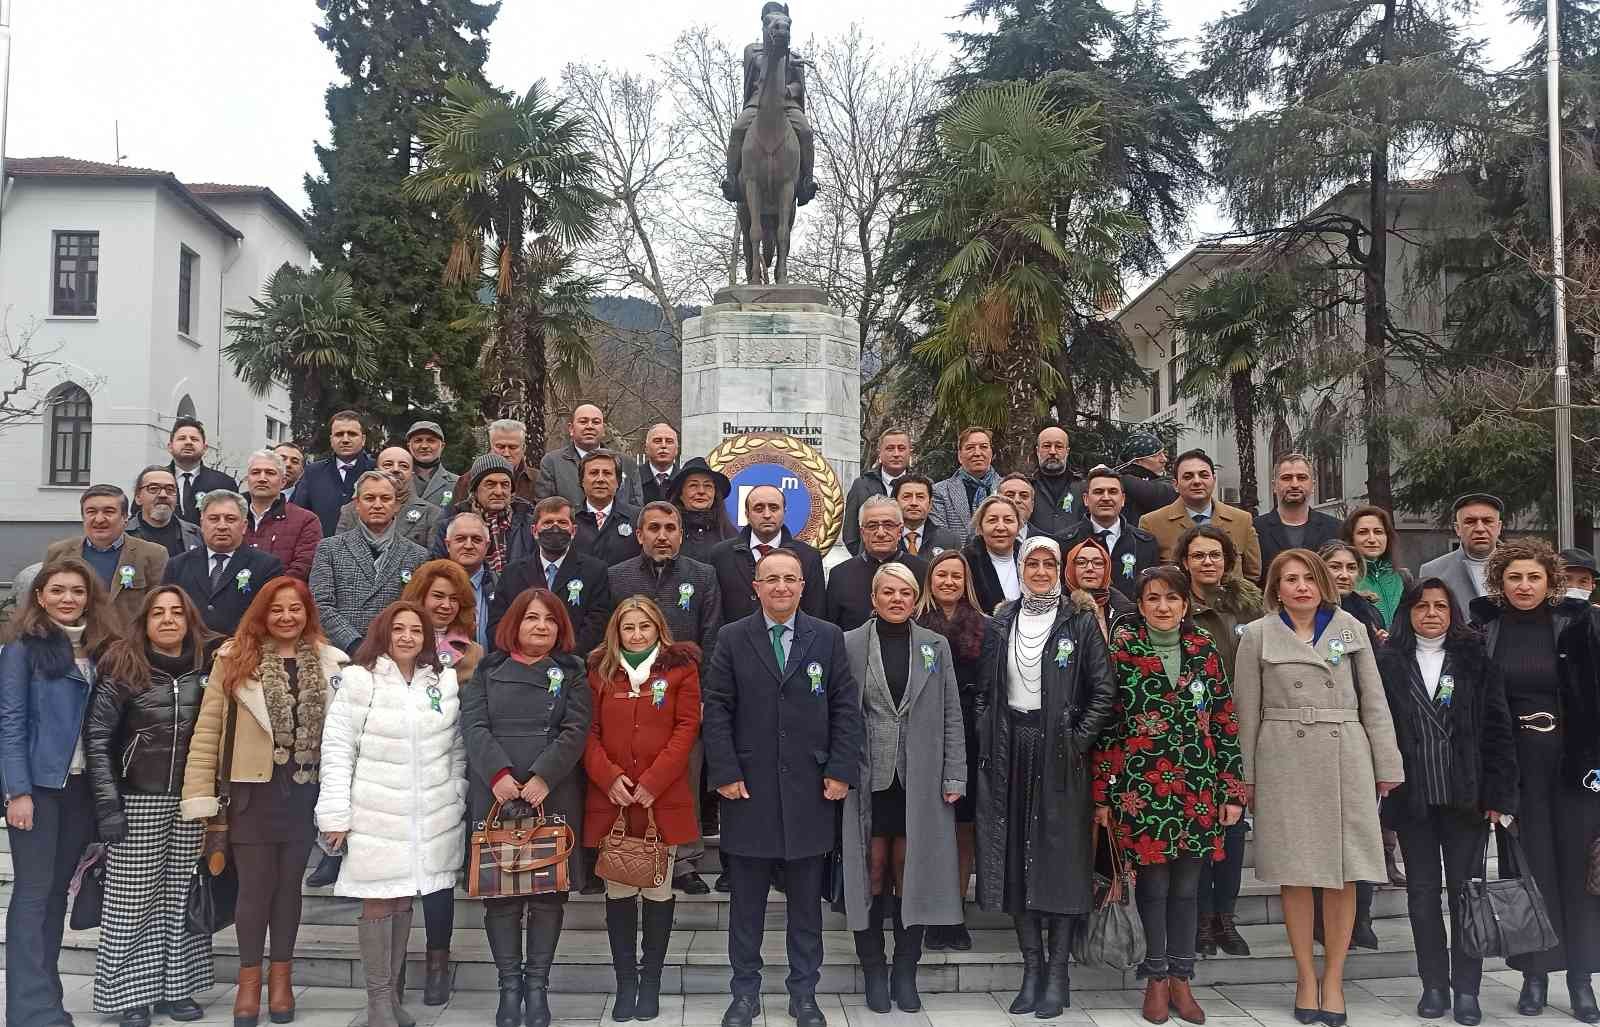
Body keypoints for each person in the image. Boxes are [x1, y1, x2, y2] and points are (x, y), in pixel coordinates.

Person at [1232, 550, 1404, 1025]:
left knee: (1345, 872)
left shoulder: (1350, 627)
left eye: (1310, 577)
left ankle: (1334, 978)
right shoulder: (1259, 634)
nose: (1301, 586)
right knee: (1296, 872)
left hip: (1345, 752)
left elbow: (1374, 699)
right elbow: (1245, 710)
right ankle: (1306, 976)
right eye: (1290, 578)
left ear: (1324, 582)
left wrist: (1386, 762)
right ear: (1276, 586)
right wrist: (1243, 776)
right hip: (1283, 756)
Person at [702, 548, 864, 1027]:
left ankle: (804, 995)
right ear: (756, 587)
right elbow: (717, 709)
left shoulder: (827, 637)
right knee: (746, 907)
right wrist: (726, 773)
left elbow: (845, 708)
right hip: (747, 791)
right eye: (770, 579)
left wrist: (840, 770)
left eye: (789, 579)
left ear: (803, 586)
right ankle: (744, 995)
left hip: (810, 792)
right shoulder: (732, 638)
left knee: (805, 910)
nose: (781, 588)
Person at [180, 576, 346, 1027]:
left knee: (288, 891)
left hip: (303, 792)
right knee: (254, 891)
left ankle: (282, 979)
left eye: (295, 609)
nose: (287, 617)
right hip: (250, 793)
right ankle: (249, 983)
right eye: (277, 609)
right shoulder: (234, 658)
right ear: (261, 613)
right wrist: (199, 795)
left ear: (308, 613)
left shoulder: (332, 662)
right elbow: (208, 729)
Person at [1095, 566, 1246, 1025]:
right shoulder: (1122, 652)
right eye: (1154, 599)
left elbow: (1224, 721)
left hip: (1197, 789)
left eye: (1172, 599)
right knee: (1155, 888)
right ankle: (1155, 978)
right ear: (1140, 606)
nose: (1164, 607)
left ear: (1185, 604)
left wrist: (1232, 789)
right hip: (1141, 791)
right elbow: (1106, 728)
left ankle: (1183, 977)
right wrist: (1102, 796)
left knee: (1188, 889)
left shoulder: (1204, 650)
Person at [974, 537, 1116, 1019]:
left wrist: (1075, 741)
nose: (1038, 570)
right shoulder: (1000, 621)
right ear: (1020, 567)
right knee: (1014, 858)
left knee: (1059, 862)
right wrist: (988, 730)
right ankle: (1030, 970)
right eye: (1030, 562)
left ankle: (1058, 976)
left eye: (1048, 562)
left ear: (1060, 569)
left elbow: (1103, 691)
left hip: (1061, 755)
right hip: (1010, 747)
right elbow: (983, 690)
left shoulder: (1079, 622)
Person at [1469, 539, 1600, 1022]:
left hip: (1575, 772)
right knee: (1527, 875)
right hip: (1515, 773)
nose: (1524, 586)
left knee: (1579, 878)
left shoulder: (1580, 625)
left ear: (1551, 582)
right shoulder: (1486, 629)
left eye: (1534, 577)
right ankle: (1534, 976)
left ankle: (1582, 980)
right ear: (1500, 583)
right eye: (1514, 578)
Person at [317, 602, 465, 1027]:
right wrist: (335, 815)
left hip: (428, 815)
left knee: (405, 897)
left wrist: (455, 793)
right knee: (379, 902)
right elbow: (338, 749)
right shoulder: (359, 680)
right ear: (383, 633)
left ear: (426, 637)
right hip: (375, 813)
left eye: (415, 630)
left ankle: (392, 1002)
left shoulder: (442, 681)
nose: (406, 637)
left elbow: (455, 748)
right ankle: (379, 1001)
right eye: (397, 629)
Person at [1377, 579, 1517, 1026]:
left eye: (1440, 606)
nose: (1431, 613)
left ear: (1452, 613)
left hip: (1466, 798)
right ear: (1408, 612)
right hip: (1412, 798)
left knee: (1466, 896)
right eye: (1422, 606)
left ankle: (1467, 988)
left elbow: (1498, 731)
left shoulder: (1475, 660)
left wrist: (1498, 795)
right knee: (1421, 897)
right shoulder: (1388, 662)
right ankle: (1433, 985)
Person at [86, 587, 218, 1027]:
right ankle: (130, 995)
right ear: (143, 621)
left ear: (189, 619)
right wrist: (108, 805)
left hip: (191, 798)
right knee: (132, 898)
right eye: (158, 613)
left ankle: (175, 989)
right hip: (137, 796)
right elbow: (98, 739)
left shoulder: (208, 664)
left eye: (176, 612)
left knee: (180, 894)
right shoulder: (125, 667)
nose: (167, 620)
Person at [463, 589, 592, 1027]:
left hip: (550, 790)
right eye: (532, 618)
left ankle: (537, 989)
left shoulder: (572, 671)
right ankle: (509, 989)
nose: (541, 626)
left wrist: (543, 776)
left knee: (547, 895)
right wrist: (498, 774)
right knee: (500, 895)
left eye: (550, 620)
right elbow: (474, 725)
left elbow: (576, 728)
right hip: (495, 791)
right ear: (514, 623)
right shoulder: (488, 669)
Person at [841, 563, 965, 1015]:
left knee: (910, 873)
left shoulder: (936, 646)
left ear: (916, 600)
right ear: (874, 598)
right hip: (866, 776)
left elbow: (952, 711)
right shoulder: (850, 643)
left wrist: (955, 775)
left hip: (921, 778)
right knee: (871, 872)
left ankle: (905, 972)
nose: (896, 599)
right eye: (887, 592)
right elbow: (837, 713)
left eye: (905, 593)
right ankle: (874, 968)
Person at [1, 556, 119, 1027]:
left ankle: (47, 1002)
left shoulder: (102, 650)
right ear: (39, 597)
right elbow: (10, 723)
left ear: (90, 597)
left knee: (55, 897)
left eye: (77, 591)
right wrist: (17, 791)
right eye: (57, 591)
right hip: (39, 789)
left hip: (81, 791)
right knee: (32, 894)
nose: (68, 599)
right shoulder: (22, 650)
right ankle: (28, 1008)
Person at [583, 598, 702, 1021]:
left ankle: (650, 980)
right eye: (628, 627)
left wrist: (653, 782)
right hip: (612, 800)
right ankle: (625, 983)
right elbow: (588, 731)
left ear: (658, 629)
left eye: (644, 627)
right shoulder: (600, 671)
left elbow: (686, 728)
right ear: (617, 631)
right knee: (618, 891)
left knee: (655, 889)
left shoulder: (680, 670)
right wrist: (609, 777)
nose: (636, 634)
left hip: (660, 800)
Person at [607, 502, 723, 894]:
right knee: (632, 773)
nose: (662, 535)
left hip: (683, 696)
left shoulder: (702, 576)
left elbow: (712, 636)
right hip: (627, 693)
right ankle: (628, 852)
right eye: (653, 528)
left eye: (670, 528)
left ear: (680, 534)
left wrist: (704, 695)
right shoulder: (617, 576)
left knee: (683, 777)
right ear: (639, 535)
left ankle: (686, 861)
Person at [398, 561, 484, 1006]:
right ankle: (389, 968)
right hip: (397, 778)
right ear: (419, 597)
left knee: (438, 878)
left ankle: (437, 963)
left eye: (454, 599)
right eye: (438, 597)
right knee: (392, 879)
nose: (446, 605)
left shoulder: (470, 653)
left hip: (447, 775)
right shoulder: (393, 647)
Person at [1176, 524, 1262, 959]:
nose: (1207, 562)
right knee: (1196, 830)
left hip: (1237, 729)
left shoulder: (1249, 609)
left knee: (1231, 828)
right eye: (1198, 556)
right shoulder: (1176, 605)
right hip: (1189, 732)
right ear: (1185, 562)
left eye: (1215, 555)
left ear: (1228, 561)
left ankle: (1224, 919)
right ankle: (1201, 918)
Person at [915, 551, 989, 953]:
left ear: (966, 582)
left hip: (970, 735)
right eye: (941, 574)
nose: (948, 581)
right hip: (925, 738)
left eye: (956, 575)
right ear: (930, 580)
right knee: (929, 829)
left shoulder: (986, 626)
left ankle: (955, 913)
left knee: (962, 830)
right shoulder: (913, 623)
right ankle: (929, 911)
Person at [310, 471, 430, 654]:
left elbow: (417, 611)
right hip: (341, 653)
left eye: (385, 498)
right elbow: (320, 604)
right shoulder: (330, 549)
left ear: (397, 505)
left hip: (394, 655)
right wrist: (354, 643)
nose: (377, 505)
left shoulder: (418, 555)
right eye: (369, 498)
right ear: (357, 504)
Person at [491, 497, 614, 657]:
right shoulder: (512, 573)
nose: (555, 528)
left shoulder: (595, 571)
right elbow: (498, 623)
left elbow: (597, 624)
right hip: (520, 663)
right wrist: (524, 656)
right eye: (548, 523)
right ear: (534, 531)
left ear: (573, 531)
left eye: (562, 523)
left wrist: (562, 658)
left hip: (573, 664)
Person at [722, 0, 817, 205]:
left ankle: (807, 180)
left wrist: (789, 90)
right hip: (758, 102)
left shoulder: (795, 56)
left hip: (787, 104)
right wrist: (779, 58)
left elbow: (798, 85)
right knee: (738, 129)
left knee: (806, 132)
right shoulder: (753, 50)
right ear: (764, 26)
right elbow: (758, 63)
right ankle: (730, 177)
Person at [46, 483, 170, 628]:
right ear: (83, 517)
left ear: (125, 517)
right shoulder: (59, 553)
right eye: (91, 511)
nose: (99, 519)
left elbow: (159, 607)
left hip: (128, 645)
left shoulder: (153, 555)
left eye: (109, 511)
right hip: (72, 643)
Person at [163, 490, 286, 635]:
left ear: (244, 525)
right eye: (214, 519)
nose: (222, 526)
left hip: (242, 650)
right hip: (190, 651)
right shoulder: (177, 566)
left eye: (230, 519)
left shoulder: (267, 567)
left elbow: (269, 616)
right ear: (202, 524)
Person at [1139, 449, 1263, 581]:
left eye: (1204, 475)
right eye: (1188, 477)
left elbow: (1252, 575)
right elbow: (1146, 578)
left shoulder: (1242, 520)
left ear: (1214, 480)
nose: (1197, 481)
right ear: (1175, 485)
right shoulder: (1152, 523)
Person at [709, 485, 827, 622]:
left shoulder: (808, 556)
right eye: (758, 509)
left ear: (784, 512)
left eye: (774, 508)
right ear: (747, 514)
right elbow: (714, 613)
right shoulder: (721, 555)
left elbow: (816, 614)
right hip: (735, 641)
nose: (767, 515)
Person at [826, 496, 928, 632]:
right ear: (862, 532)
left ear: (900, 531)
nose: (880, 533)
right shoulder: (840, 574)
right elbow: (832, 630)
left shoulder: (922, 570)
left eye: (888, 525)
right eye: (872, 526)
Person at [1058, 465, 1160, 596]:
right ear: (1086, 499)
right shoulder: (1064, 542)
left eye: (1112, 492)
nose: (1106, 498)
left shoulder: (1145, 543)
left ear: (1122, 499)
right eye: (1098, 492)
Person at [436, 454, 539, 572]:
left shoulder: (529, 524)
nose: (499, 492)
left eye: (505, 485)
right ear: (475, 490)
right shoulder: (450, 523)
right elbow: (438, 570)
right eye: (490, 484)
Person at [538, 404, 641, 508]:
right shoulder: (553, 462)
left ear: (604, 429)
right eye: (583, 422)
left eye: (596, 422)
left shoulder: (626, 463)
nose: (590, 426)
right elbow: (544, 509)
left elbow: (636, 509)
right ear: (571, 428)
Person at [241, 449, 323, 581]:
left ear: (283, 481)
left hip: (280, 598)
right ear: (247, 479)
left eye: (270, 473)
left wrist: (271, 592)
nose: (262, 478)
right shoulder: (230, 517)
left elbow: (303, 566)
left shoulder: (306, 521)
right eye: (256, 472)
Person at [337, 447, 442, 548]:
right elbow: (338, 551)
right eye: (388, 465)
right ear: (377, 470)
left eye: (403, 466)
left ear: (412, 474)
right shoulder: (350, 510)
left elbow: (434, 561)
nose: (396, 469)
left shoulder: (432, 514)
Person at [293, 410, 376, 537]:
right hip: (322, 551)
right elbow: (298, 516)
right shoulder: (313, 473)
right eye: (339, 434)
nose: (345, 439)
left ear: (363, 439)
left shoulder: (376, 470)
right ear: (331, 439)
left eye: (352, 434)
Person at [1255, 454, 1342, 573]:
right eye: (1286, 478)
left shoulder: (1336, 529)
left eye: (1302, 478)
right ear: (1274, 486)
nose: (1294, 484)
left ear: (1313, 486)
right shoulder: (1256, 529)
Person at [1421, 494, 1505, 613]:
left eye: (1487, 521)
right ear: (1457, 528)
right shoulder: (1433, 571)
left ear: (1499, 527)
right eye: (1470, 522)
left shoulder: (1522, 567)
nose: (1480, 528)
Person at [844, 428, 914, 555]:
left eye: (901, 448)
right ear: (879, 453)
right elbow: (850, 535)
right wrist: (867, 556)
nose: (896, 454)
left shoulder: (922, 486)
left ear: (910, 452)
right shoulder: (861, 485)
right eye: (890, 448)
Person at [930, 426, 1002, 549]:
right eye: (970, 448)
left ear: (991, 453)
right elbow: (940, 536)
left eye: (984, 447)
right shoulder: (939, 492)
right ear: (959, 456)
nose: (977, 453)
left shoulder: (1007, 489)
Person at [1342, 505, 1410, 627]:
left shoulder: (1403, 577)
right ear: (1351, 538)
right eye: (1363, 532)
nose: (1372, 539)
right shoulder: (1343, 578)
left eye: (1378, 532)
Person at [574, 450, 644, 566]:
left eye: (607, 473)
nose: (600, 479)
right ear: (582, 480)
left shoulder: (638, 518)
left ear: (618, 482)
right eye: (593, 473)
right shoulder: (569, 519)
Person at [167, 416, 239, 524]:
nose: (188, 442)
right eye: (182, 438)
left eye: (194, 439)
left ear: (205, 448)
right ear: (170, 447)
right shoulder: (154, 480)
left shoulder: (224, 484)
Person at [667, 457, 737, 563]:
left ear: (715, 494)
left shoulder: (729, 535)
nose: (701, 491)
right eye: (693, 485)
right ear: (680, 494)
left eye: (708, 486)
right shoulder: (666, 530)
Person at [1064, 537, 1135, 642]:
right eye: (1081, 562)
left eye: (1098, 563)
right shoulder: (1057, 607)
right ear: (1070, 568)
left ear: (1107, 569)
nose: (1090, 568)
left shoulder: (1126, 611)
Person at [962, 495, 1023, 616]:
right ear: (980, 527)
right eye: (992, 520)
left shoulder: (1031, 559)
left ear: (1018, 527)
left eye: (1008, 520)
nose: (1000, 527)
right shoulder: (965, 563)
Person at [1319, 541, 1388, 646]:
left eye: (1351, 568)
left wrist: (1382, 645)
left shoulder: (1370, 613)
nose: (1344, 576)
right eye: (1335, 567)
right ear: (1318, 570)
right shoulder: (1305, 610)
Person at [445, 512, 496, 650]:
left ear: (487, 546)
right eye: (460, 539)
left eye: (476, 539)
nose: (468, 545)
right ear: (448, 545)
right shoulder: (431, 584)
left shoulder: (503, 585)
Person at [129, 466, 203, 556]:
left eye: (170, 489)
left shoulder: (196, 535)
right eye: (153, 488)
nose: (163, 495)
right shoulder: (121, 534)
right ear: (138, 497)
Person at [1029, 425, 1082, 539]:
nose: (1052, 451)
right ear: (1037, 451)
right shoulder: (1026, 488)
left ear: (1067, 451)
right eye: (1047, 446)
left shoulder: (1083, 487)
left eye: (1058, 446)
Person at [892, 474, 959, 558]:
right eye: (906, 497)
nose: (914, 503)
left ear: (930, 504)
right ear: (895, 503)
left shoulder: (950, 540)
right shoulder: (884, 538)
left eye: (920, 497)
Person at [1117, 433, 1178, 524]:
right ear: (1137, 461)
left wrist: (1119, 478)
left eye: (1162, 453)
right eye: (1155, 455)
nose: (1164, 459)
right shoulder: (1116, 487)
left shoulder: (1121, 481)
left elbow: (1161, 494)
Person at [406, 421, 459, 509]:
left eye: (431, 441)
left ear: (442, 446)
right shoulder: (397, 481)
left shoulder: (458, 484)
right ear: (409, 446)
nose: (424, 446)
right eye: (418, 440)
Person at [487, 418, 540, 503]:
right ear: (491, 447)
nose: (506, 453)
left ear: (523, 448)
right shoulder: (469, 480)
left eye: (513, 447)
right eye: (500, 447)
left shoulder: (539, 481)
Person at [637, 422, 682, 506]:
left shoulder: (684, 480)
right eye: (657, 441)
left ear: (676, 450)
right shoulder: (632, 480)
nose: (663, 445)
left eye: (669, 441)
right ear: (646, 448)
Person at [998, 475, 1040, 543]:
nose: (1017, 500)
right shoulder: (981, 542)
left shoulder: (1045, 541)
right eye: (1009, 495)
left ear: (1032, 505)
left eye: (1024, 496)